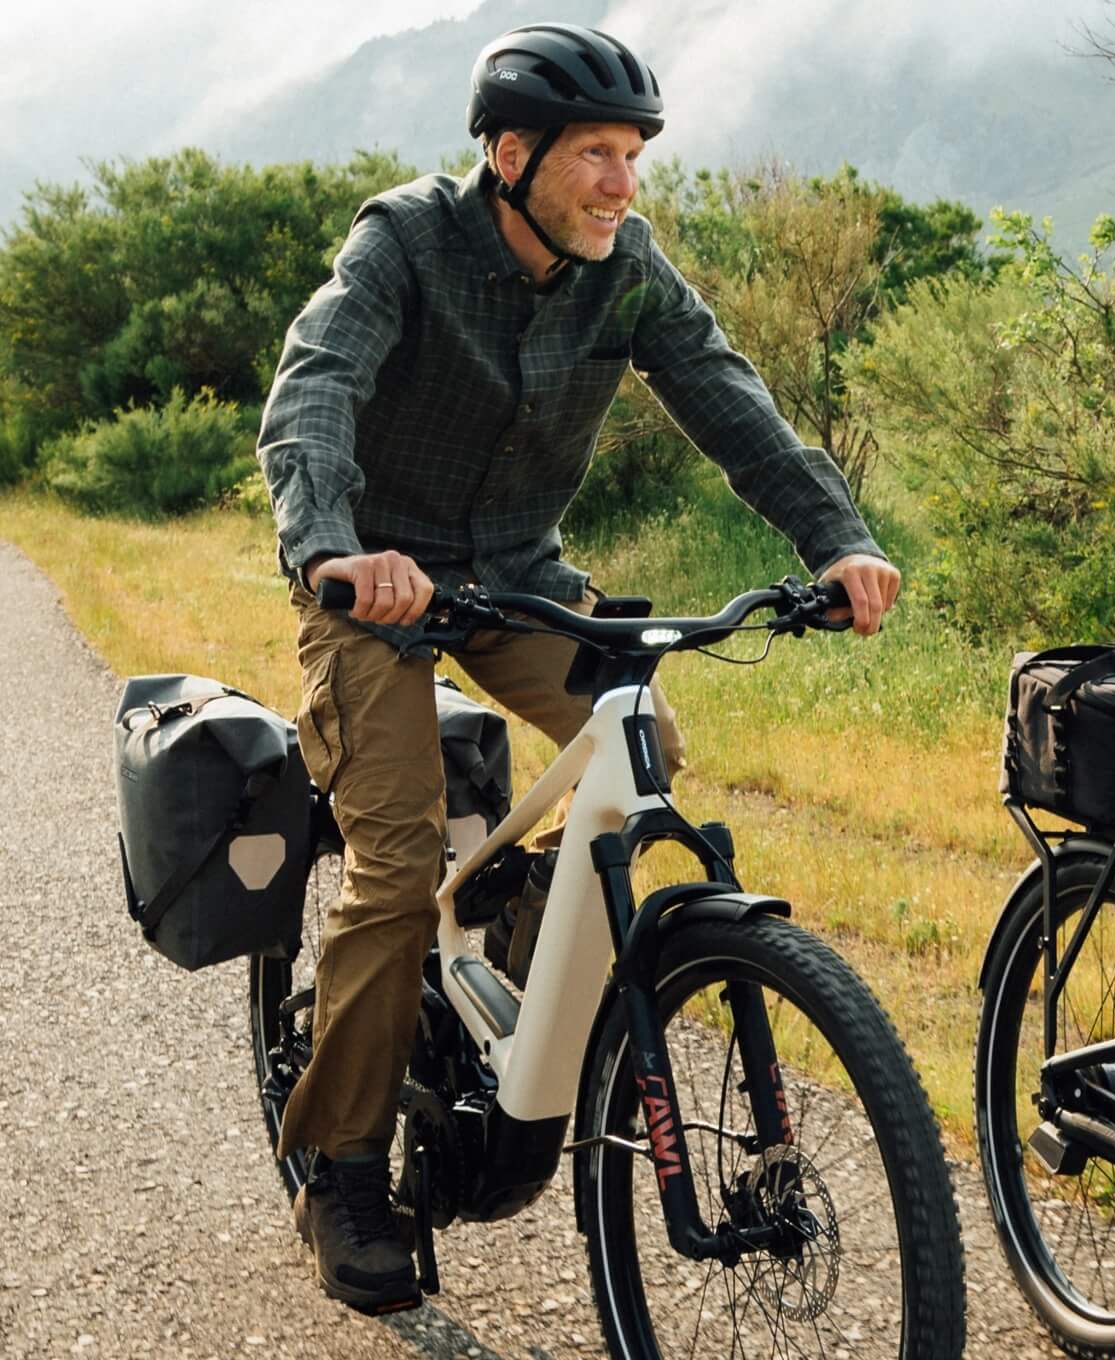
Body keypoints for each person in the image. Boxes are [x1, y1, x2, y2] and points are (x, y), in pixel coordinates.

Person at [252, 22, 901, 1313]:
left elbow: (730, 398)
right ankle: (338, 1165)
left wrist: (838, 537)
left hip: (518, 584)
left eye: (634, 154)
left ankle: (519, 948)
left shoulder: (628, 267)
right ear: (509, 155)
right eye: (596, 154)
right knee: (394, 863)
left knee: (645, 745)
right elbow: (314, 388)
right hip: (379, 587)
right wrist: (335, 545)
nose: (623, 181)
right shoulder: (406, 243)